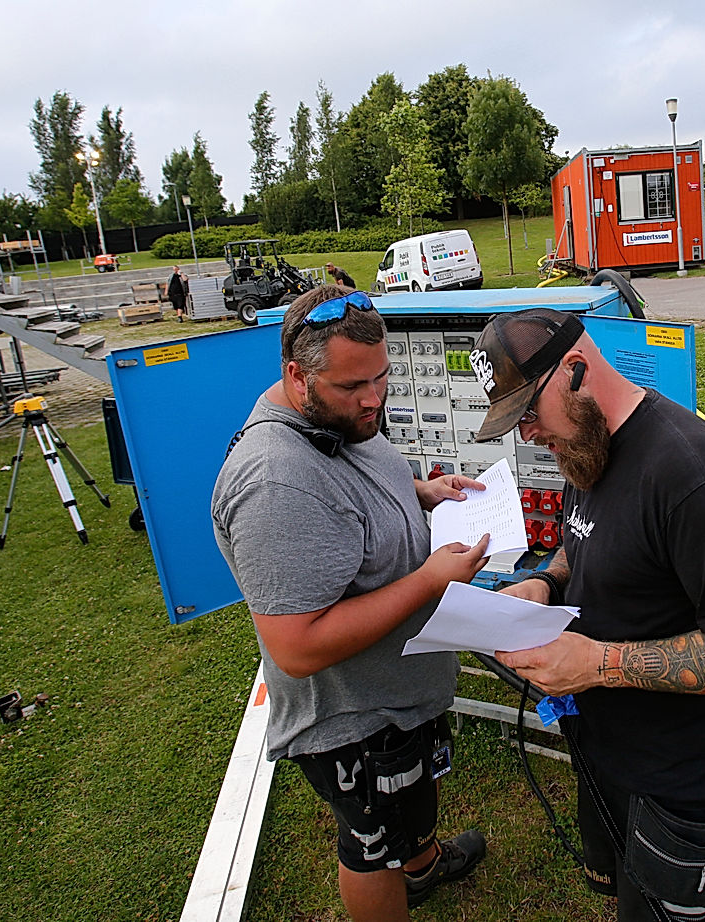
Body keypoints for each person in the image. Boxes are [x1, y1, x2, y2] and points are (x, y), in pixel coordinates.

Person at [471, 308, 705, 922]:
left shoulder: (694, 477)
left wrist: (599, 663)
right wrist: (545, 581)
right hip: (608, 748)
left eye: (529, 415)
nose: (528, 436)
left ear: (574, 372)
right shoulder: (587, 444)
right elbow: (584, 535)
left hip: (680, 779)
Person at [211, 285, 492, 922]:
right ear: (295, 375)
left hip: (396, 691)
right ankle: (399, 872)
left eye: (383, 377)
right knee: (371, 842)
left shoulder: (336, 414)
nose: (374, 399)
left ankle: (421, 865)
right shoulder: (277, 483)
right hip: (354, 717)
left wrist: (420, 492)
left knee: (410, 798)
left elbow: (356, 489)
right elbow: (297, 646)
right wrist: (428, 582)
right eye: (353, 387)